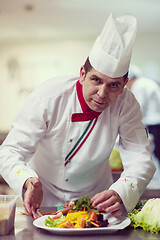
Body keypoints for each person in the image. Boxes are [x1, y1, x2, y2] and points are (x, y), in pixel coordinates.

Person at [0, 13, 155, 219]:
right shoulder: (48, 97)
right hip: (43, 203)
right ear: (82, 74)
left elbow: (141, 158)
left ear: (124, 84)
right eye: (96, 80)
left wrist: (121, 191)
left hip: (96, 205)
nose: (102, 93)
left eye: (114, 85)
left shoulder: (127, 104)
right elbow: (10, 151)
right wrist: (27, 180)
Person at [127, 65, 160, 163]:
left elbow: (138, 108)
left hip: (154, 124)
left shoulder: (139, 85)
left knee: (156, 154)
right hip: (156, 123)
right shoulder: (145, 82)